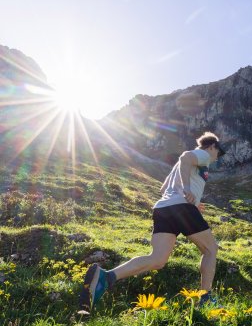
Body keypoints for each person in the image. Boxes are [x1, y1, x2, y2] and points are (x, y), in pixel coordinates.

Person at [79, 131, 225, 311]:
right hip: (181, 207)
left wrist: (193, 200)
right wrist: (187, 190)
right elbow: (186, 157)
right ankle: (206, 298)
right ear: (212, 147)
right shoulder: (202, 154)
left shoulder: (178, 168)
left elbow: (164, 187)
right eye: (217, 154)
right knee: (211, 249)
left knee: (157, 259)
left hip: (164, 208)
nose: (216, 158)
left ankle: (106, 278)